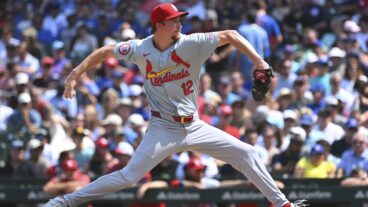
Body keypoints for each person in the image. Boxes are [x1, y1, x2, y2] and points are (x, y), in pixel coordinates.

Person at [44, 3, 306, 207]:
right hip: (163, 128)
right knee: (128, 176)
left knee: (247, 153)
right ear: (159, 25)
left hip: (194, 124)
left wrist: (259, 63)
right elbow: (104, 51)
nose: (180, 23)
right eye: (173, 20)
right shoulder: (139, 48)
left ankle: (281, 203)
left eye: (180, 18)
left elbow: (231, 35)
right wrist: (74, 75)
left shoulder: (192, 43)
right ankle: (65, 201)